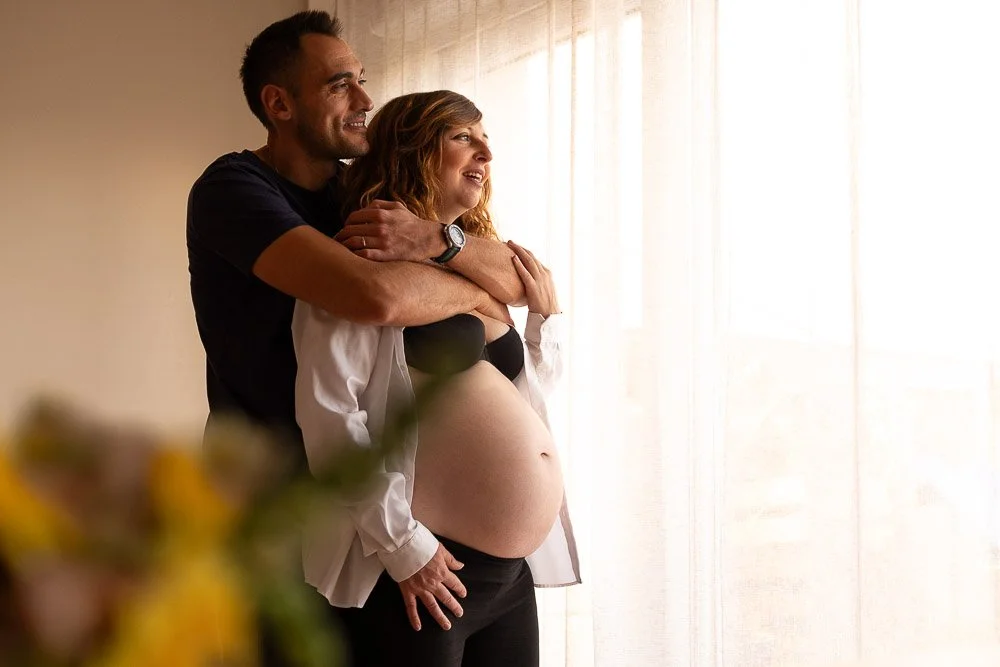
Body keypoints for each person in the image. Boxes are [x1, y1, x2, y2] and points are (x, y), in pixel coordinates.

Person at [186, 10, 536, 666]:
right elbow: (374, 297)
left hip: (369, 514)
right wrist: (479, 291)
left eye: (364, 80)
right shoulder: (235, 189)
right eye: (341, 83)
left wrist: (438, 241)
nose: (365, 100)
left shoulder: (363, 195)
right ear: (279, 103)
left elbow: (522, 276)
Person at [293, 90, 581, 667]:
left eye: (485, 139)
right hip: (425, 577)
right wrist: (406, 547)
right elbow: (329, 414)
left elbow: (529, 394)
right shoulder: (357, 261)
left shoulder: (476, 262)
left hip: (510, 578)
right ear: (415, 150)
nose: (485, 154)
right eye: (463, 138)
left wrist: (541, 320)